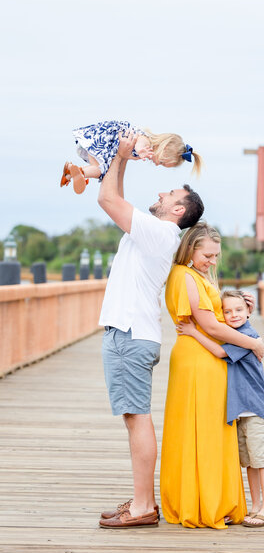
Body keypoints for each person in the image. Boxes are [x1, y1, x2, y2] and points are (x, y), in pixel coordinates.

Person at [96, 132, 204, 529]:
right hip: (130, 333)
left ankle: (143, 506)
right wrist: (120, 160)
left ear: (178, 211)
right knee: (135, 415)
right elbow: (117, 196)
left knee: (137, 417)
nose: (160, 193)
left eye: (169, 193)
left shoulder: (159, 233)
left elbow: (107, 200)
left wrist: (120, 154)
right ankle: (142, 500)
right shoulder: (152, 230)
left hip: (129, 335)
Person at [160, 223, 264, 529]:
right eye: (208, 254)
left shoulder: (198, 276)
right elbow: (213, 327)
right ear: (191, 248)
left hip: (207, 360)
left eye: (216, 255)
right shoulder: (184, 276)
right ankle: (202, 502)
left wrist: (245, 312)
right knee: (201, 432)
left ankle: (213, 498)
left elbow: (221, 320)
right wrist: (254, 343)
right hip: (197, 361)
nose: (213, 261)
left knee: (211, 433)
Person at [177, 289, 264, 528]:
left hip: (255, 409)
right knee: (250, 463)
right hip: (239, 411)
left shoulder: (247, 335)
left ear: (248, 311)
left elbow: (221, 352)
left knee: (262, 461)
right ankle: (254, 507)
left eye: (239, 310)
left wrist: (192, 331)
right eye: (227, 311)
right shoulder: (234, 332)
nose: (233, 315)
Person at [60, 121, 202, 194]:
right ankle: (80, 172)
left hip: (97, 144)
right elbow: (139, 145)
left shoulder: (146, 146)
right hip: (102, 141)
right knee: (100, 170)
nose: (158, 164)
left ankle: (71, 173)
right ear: (163, 149)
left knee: (101, 171)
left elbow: (124, 156)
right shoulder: (145, 142)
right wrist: (140, 152)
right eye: (163, 162)